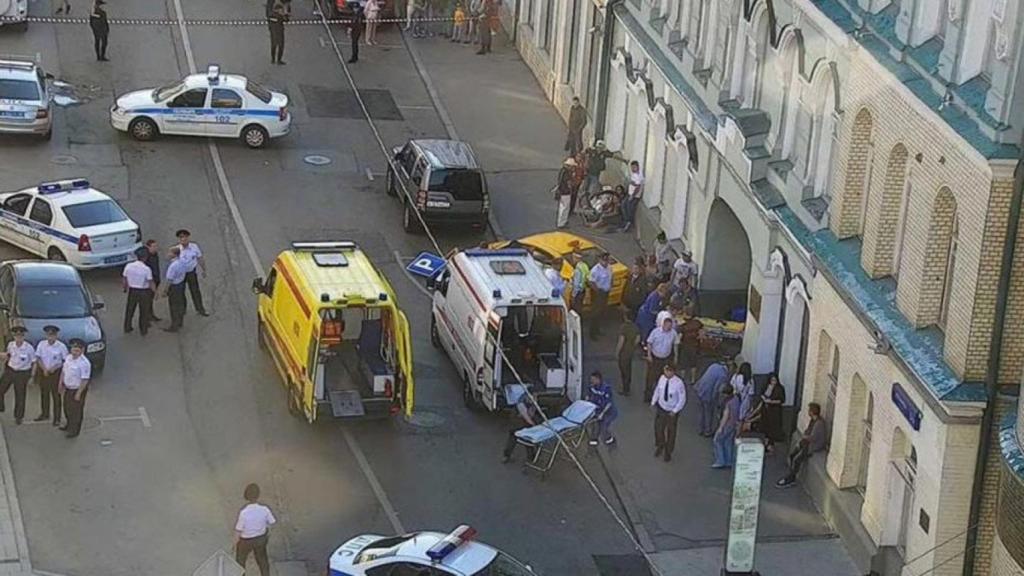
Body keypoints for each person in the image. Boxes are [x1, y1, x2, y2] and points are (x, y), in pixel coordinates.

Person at [776, 403, 828, 487]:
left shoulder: (819, 424)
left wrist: (805, 437)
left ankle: (791, 478)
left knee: (798, 459)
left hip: (814, 445)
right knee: (794, 453)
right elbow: (807, 431)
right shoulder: (812, 421)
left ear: (812, 411)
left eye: (809, 410)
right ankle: (791, 469)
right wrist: (803, 439)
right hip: (807, 442)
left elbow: (813, 437)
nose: (808, 412)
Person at [235, 483, 276, 576]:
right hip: (261, 538)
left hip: (246, 540)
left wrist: (235, 543)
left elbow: (238, 530)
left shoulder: (244, 513)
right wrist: (267, 534)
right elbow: (272, 523)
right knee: (262, 559)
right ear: (258, 495)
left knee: (240, 560)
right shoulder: (265, 509)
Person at [33, 325, 68, 426]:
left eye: (53, 335)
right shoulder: (42, 344)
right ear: (46, 335)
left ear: (56, 335)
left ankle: (57, 418)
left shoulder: (61, 346)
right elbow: (38, 358)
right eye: (49, 335)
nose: (50, 337)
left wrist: (54, 368)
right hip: (43, 372)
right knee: (44, 394)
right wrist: (44, 369)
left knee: (56, 396)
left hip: (55, 373)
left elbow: (64, 361)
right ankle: (45, 413)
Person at [650, 364, 686, 462]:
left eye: (669, 371)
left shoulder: (679, 383)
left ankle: (668, 451)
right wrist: (653, 402)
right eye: (665, 370)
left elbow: (682, 399)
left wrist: (675, 411)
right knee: (658, 429)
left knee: (671, 432)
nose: (666, 372)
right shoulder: (662, 378)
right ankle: (661, 445)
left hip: (671, 411)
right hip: (661, 408)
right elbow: (658, 390)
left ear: (673, 372)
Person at [0, 327, 35, 424]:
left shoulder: (29, 348)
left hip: (22, 373)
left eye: (20, 336)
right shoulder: (10, 345)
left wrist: (32, 377)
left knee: (20, 395)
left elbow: (34, 362)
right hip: (10, 370)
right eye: (16, 336)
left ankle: (19, 416)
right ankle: (1, 407)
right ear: (14, 336)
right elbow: (7, 355)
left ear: (23, 337)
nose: (18, 338)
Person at [59, 339, 91, 438]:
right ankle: (68, 425)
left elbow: (85, 379)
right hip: (68, 388)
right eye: (73, 349)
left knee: (76, 411)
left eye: (77, 350)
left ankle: (74, 430)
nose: (74, 352)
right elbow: (64, 371)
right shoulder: (68, 358)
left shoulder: (84, 363)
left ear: (82, 351)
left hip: (77, 389)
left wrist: (79, 393)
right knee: (67, 408)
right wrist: (60, 383)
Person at [644, 316, 678, 403]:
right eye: (667, 325)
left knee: (662, 379)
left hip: (665, 359)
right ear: (663, 324)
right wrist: (649, 355)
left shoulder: (673, 333)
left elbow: (675, 345)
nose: (668, 328)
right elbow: (649, 343)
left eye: (670, 326)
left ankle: (659, 397)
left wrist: (675, 356)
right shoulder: (655, 332)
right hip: (655, 358)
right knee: (650, 378)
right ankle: (648, 397)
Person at [122, 247, 155, 336]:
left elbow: (125, 278)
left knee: (130, 309)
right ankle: (143, 329)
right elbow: (150, 282)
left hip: (132, 290)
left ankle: (127, 326)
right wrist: (154, 292)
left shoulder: (128, 266)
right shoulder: (146, 269)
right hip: (143, 291)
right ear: (145, 257)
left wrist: (125, 288)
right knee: (144, 311)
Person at [176, 229, 209, 316]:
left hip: (191, 273)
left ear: (188, 238)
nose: (183, 239)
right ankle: (182, 310)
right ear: (179, 239)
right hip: (181, 274)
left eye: (185, 237)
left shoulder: (194, 247)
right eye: (181, 238)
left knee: (195, 291)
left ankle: (200, 309)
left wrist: (204, 269)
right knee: (181, 292)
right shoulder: (177, 249)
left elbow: (200, 258)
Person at [502, 387, 539, 463]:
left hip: (525, 418)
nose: (535, 398)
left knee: (528, 437)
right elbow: (526, 417)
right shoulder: (521, 403)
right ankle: (506, 455)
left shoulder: (533, 399)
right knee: (514, 436)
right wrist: (534, 425)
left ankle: (531, 456)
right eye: (533, 396)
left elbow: (532, 413)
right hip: (517, 419)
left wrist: (533, 406)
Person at [695, 358, 730, 437]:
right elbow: (717, 389)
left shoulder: (713, 366)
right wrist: (716, 401)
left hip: (700, 389)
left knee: (701, 411)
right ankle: (707, 431)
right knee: (708, 413)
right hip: (708, 394)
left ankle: (700, 429)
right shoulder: (723, 375)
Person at [712, 384, 741, 469]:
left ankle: (720, 461)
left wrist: (720, 428)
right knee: (728, 442)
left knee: (717, 440)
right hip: (734, 424)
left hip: (727, 424)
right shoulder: (736, 399)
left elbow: (725, 416)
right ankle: (729, 461)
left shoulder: (728, 403)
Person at [161, 246, 189, 332]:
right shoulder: (183, 261)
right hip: (181, 284)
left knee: (173, 306)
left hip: (174, 287)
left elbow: (169, 280)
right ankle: (180, 321)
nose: (168, 254)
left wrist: (165, 291)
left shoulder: (173, 266)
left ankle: (174, 326)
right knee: (180, 303)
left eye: (170, 253)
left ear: (174, 255)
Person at [586, 371, 617, 446]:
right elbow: (589, 396)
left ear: (598, 379)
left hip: (608, 412)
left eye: (593, 379)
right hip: (598, 409)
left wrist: (602, 414)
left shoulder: (606, 388)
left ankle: (610, 439)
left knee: (604, 426)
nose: (591, 381)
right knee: (595, 424)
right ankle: (594, 440)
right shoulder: (592, 387)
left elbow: (609, 403)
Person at [615, 309, 640, 396]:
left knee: (623, 371)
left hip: (624, 352)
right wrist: (633, 346)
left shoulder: (624, 327)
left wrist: (617, 352)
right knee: (628, 369)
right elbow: (638, 339)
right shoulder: (635, 327)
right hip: (630, 352)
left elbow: (621, 341)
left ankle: (625, 389)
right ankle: (627, 387)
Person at [587, 253, 612, 338]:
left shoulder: (609, 267)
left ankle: (598, 329)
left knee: (602, 312)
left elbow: (611, 277)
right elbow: (590, 281)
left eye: (606, 260)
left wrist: (610, 286)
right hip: (599, 294)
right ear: (599, 260)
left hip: (606, 292)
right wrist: (598, 291)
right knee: (595, 313)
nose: (605, 262)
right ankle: (592, 333)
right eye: (603, 260)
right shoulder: (595, 270)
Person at [761, 372, 786, 453]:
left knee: (773, 428)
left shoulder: (780, 388)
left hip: (774, 411)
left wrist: (772, 401)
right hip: (766, 410)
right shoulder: (766, 387)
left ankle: (771, 445)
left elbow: (781, 400)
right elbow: (762, 394)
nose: (773, 382)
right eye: (772, 380)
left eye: (774, 380)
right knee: (765, 428)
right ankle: (766, 443)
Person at [678, 305, 702, 384]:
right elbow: (702, 332)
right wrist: (698, 338)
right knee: (693, 363)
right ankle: (693, 379)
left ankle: (682, 378)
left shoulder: (683, 324)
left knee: (683, 363)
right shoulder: (697, 323)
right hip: (694, 346)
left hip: (685, 346)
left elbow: (679, 336)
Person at [620, 161, 644, 232]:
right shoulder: (634, 174)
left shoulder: (638, 176)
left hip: (634, 196)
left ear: (637, 167)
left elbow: (638, 187)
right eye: (632, 167)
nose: (632, 169)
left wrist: (632, 196)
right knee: (624, 205)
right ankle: (625, 220)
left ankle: (629, 222)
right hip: (630, 193)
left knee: (629, 208)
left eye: (634, 167)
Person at [554, 157, 578, 228]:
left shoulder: (564, 171)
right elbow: (567, 182)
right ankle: (561, 223)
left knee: (565, 207)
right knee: (564, 207)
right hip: (565, 191)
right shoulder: (566, 172)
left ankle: (563, 221)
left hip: (565, 191)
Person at [143, 239, 163, 322]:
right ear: (148, 247)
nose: (155, 248)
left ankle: (150, 315)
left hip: (156, 279)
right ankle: (147, 316)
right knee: (147, 300)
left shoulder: (155, 255)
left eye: (156, 246)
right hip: (150, 282)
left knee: (150, 300)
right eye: (153, 246)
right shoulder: (146, 258)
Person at [267, 0, 288, 65]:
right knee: (274, 43)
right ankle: (273, 59)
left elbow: (287, 18)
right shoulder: (271, 2)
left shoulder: (285, 4)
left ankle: (279, 60)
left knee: (281, 44)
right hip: (273, 26)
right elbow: (269, 14)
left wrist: (285, 15)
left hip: (280, 26)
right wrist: (278, 14)